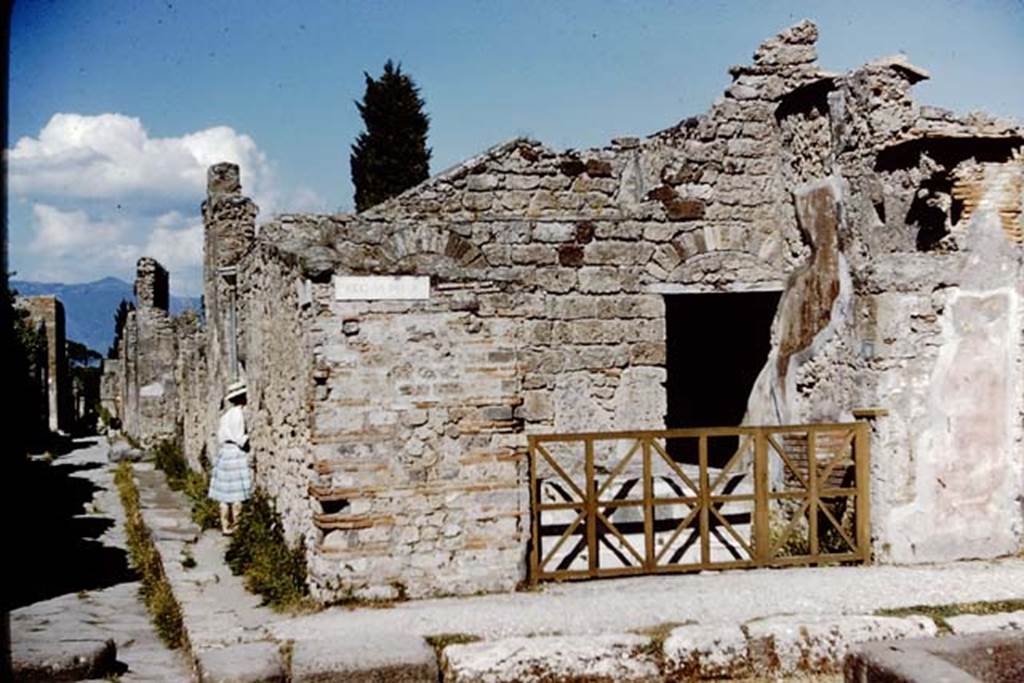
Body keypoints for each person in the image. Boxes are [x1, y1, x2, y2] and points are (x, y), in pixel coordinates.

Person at [208, 380, 251, 534]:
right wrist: (248, 438)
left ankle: (225, 526)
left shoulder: (225, 416)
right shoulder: (239, 414)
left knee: (224, 495)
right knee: (237, 493)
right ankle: (237, 526)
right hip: (235, 453)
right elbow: (239, 437)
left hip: (224, 453)